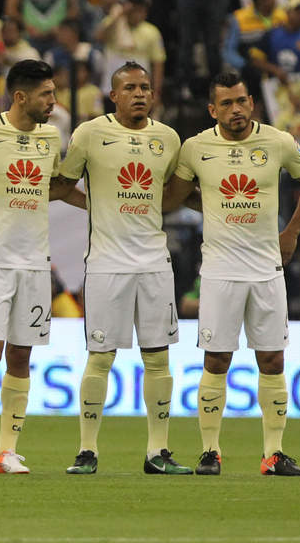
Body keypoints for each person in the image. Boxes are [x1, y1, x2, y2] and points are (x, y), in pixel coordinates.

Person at [164, 71, 300, 476]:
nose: (235, 110)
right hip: (219, 269)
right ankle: (209, 452)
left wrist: (291, 233)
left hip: (267, 268)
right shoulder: (196, 148)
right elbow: (176, 197)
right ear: (212, 109)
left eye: (241, 101)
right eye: (226, 104)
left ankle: (273, 454)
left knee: (272, 359)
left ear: (251, 102)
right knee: (216, 359)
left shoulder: (278, 142)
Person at [56, 62, 191, 475]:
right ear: (113, 95)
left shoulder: (167, 138)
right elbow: (63, 184)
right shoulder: (90, 134)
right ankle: (87, 451)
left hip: (153, 262)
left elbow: (174, 193)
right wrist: (93, 204)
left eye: (145, 88)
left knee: (158, 358)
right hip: (106, 264)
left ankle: (157, 453)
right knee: (100, 357)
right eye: (130, 88)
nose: (139, 94)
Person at [0, 59, 74, 474]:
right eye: (46, 94)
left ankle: (7, 451)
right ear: (20, 96)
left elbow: (55, 185)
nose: (54, 102)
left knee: (21, 355)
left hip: (35, 262)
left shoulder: (50, 136)